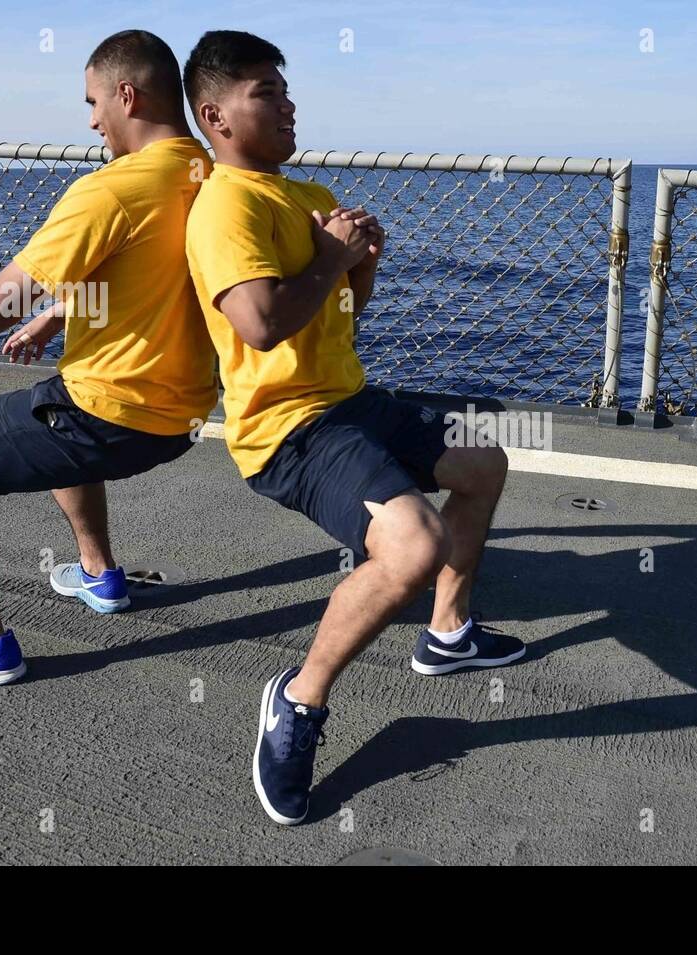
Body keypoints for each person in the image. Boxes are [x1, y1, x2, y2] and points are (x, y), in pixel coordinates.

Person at [183, 30, 524, 825]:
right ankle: (298, 702)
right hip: (288, 428)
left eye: (284, 88)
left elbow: (335, 317)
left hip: (349, 399)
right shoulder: (225, 207)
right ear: (215, 114)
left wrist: (357, 266)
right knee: (413, 546)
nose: (288, 101)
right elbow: (261, 325)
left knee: (482, 462)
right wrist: (333, 261)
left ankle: (447, 630)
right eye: (265, 91)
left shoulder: (302, 196)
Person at [0, 30, 217, 686]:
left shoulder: (113, 190)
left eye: (94, 101)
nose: (92, 119)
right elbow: (153, 273)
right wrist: (56, 317)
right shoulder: (212, 175)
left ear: (127, 94)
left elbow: (11, 290)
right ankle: (99, 575)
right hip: (183, 416)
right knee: (55, 393)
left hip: (109, 416)